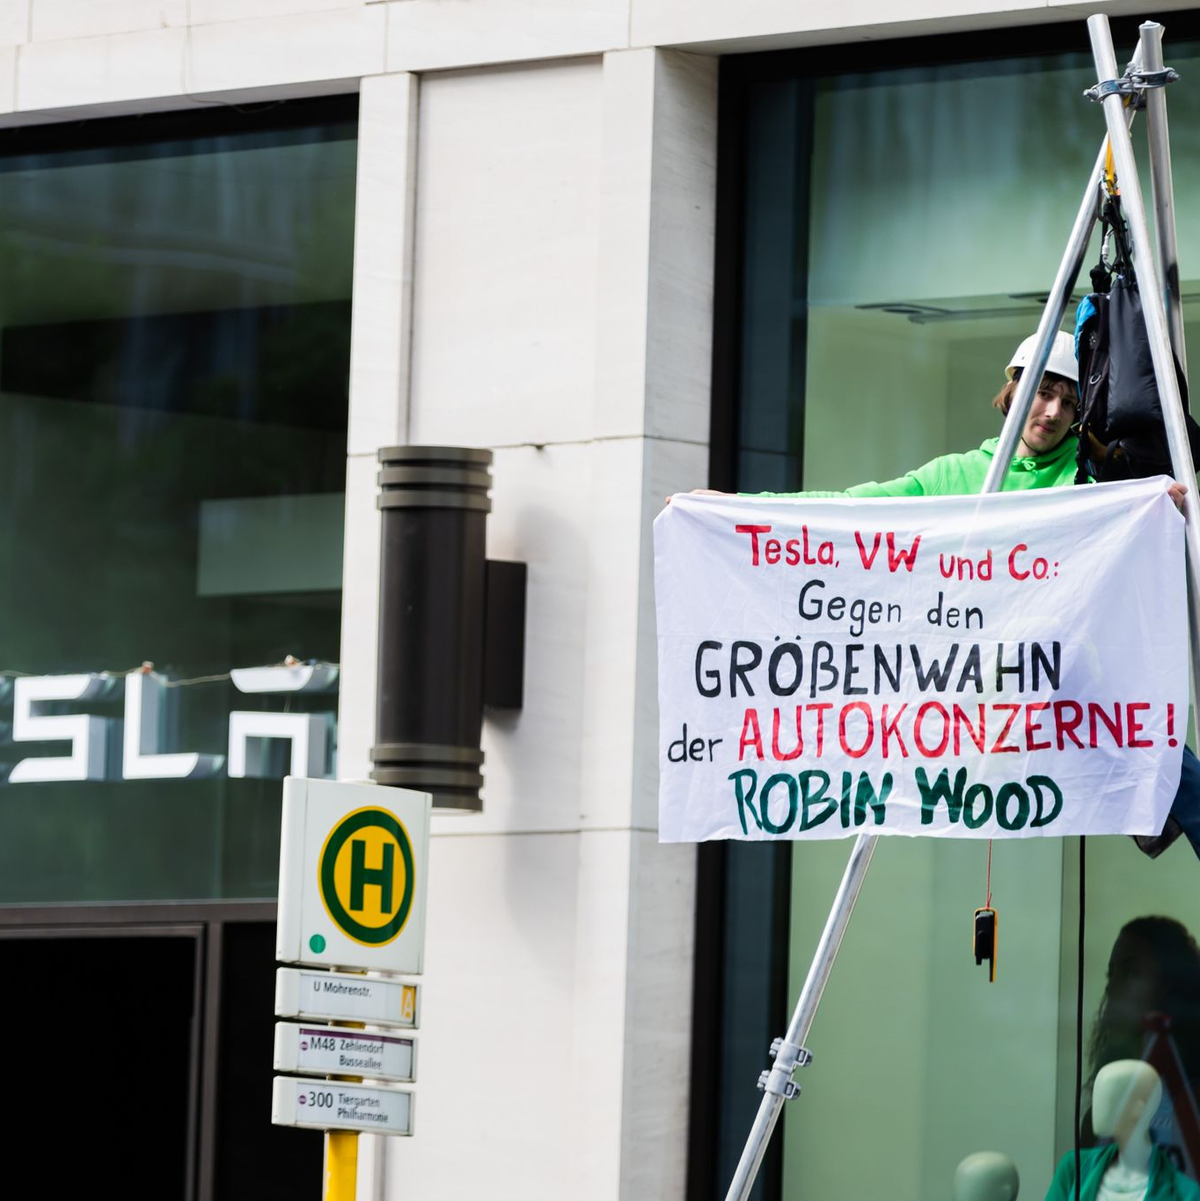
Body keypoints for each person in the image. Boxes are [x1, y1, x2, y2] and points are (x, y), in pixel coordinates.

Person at [678, 331, 1198, 859]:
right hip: (975, 680)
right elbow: (852, 511)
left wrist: (1158, 504)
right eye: (1043, 392)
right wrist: (742, 508)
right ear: (1013, 390)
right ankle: (1152, 805)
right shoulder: (957, 475)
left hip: (1062, 675)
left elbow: (1128, 537)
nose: (1053, 411)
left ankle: (1155, 802)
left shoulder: (1089, 481)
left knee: (1164, 758)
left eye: (1068, 401)